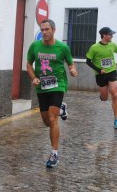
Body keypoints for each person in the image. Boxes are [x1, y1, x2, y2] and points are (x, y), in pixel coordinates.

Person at [26, 19, 78, 168]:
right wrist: (34, 77)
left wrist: (73, 70)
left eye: (47, 29)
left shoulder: (62, 47)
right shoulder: (35, 46)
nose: (44, 32)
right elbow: (29, 64)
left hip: (57, 85)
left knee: (52, 117)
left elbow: (70, 63)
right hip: (42, 86)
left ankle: (54, 153)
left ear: (54, 30)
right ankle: (62, 108)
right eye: (42, 30)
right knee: (46, 122)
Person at [86, 27, 117, 129]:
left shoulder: (113, 45)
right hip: (100, 75)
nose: (112, 36)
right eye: (110, 34)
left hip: (112, 72)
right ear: (104, 35)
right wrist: (99, 70)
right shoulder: (94, 47)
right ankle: (102, 96)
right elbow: (88, 61)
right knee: (105, 97)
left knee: (115, 94)